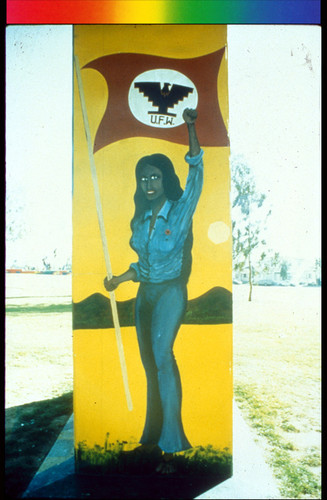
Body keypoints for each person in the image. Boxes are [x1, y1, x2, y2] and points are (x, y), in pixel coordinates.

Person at [104, 108, 204, 473]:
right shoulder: (141, 218)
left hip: (170, 294)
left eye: (155, 177)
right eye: (143, 178)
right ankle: (152, 440)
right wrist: (118, 279)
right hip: (144, 294)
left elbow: (196, 170)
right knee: (150, 366)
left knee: (163, 359)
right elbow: (142, 265)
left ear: (165, 180)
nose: (148, 183)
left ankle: (173, 447)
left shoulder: (179, 211)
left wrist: (191, 126)